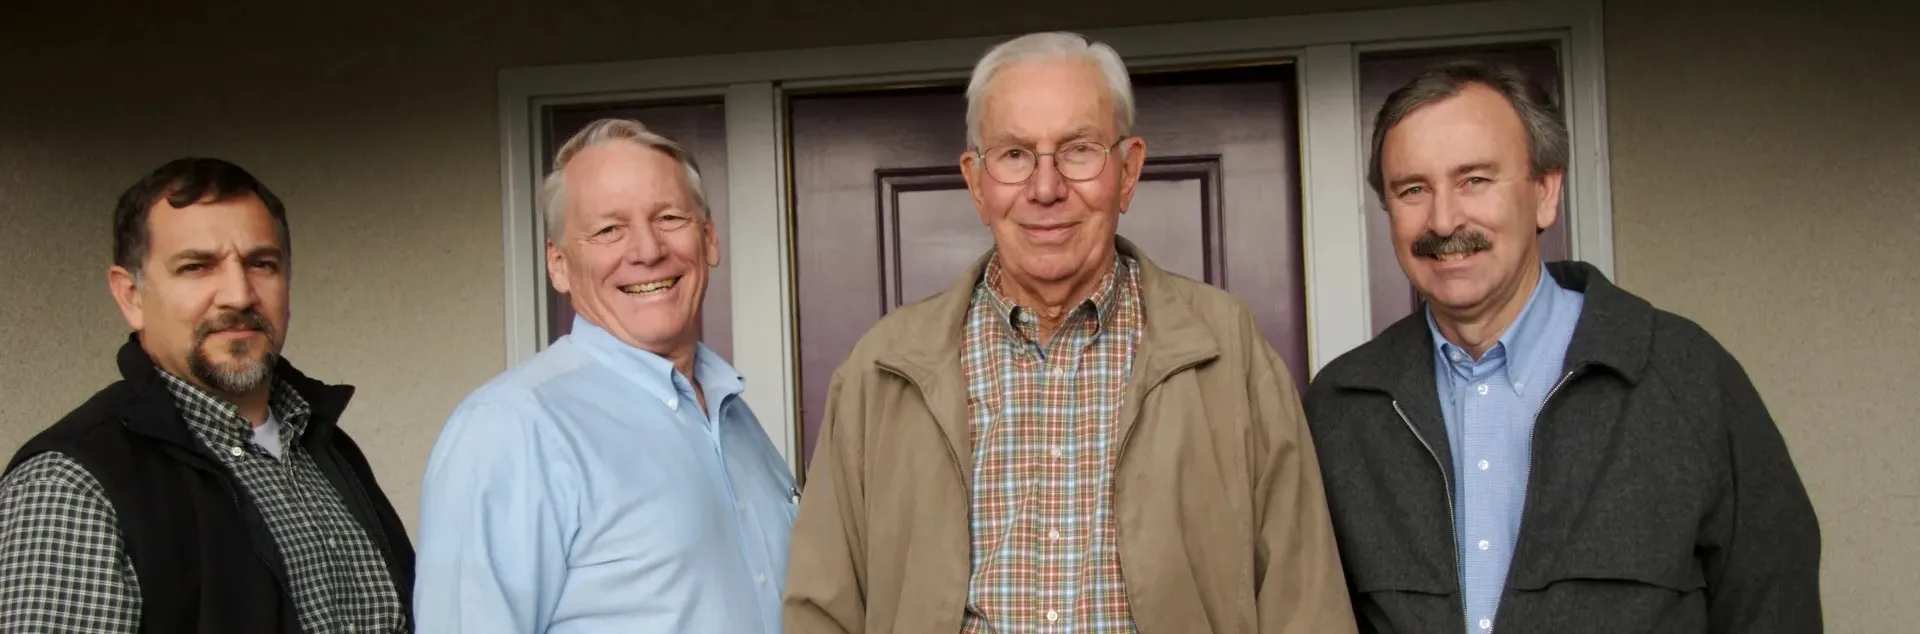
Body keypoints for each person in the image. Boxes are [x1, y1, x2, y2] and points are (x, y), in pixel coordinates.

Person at [783, 31, 1357, 634]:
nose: (1047, 187)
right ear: (976, 182)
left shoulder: (1228, 350)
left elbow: (1305, 599)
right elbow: (823, 609)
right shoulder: (883, 367)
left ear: (1129, 170)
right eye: (1014, 155)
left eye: (1079, 150)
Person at [1303, 60, 1822, 634]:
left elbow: (1773, 606)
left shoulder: (1684, 375)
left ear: (1546, 193)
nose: (1444, 219)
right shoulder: (1342, 407)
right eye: (1413, 190)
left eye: (1474, 179)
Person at [412, 118, 795, 633]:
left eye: (670, 217)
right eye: (608, 230)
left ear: (709, 239)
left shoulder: (735, 418)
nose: (647, 250)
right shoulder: (510, 430)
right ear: (559, 264)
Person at [0, 158, 415, 633]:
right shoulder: (70, 487)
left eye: (262, 264)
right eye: (196, 267)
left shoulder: (324, 447)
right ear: (131, 296)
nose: (238, 295)